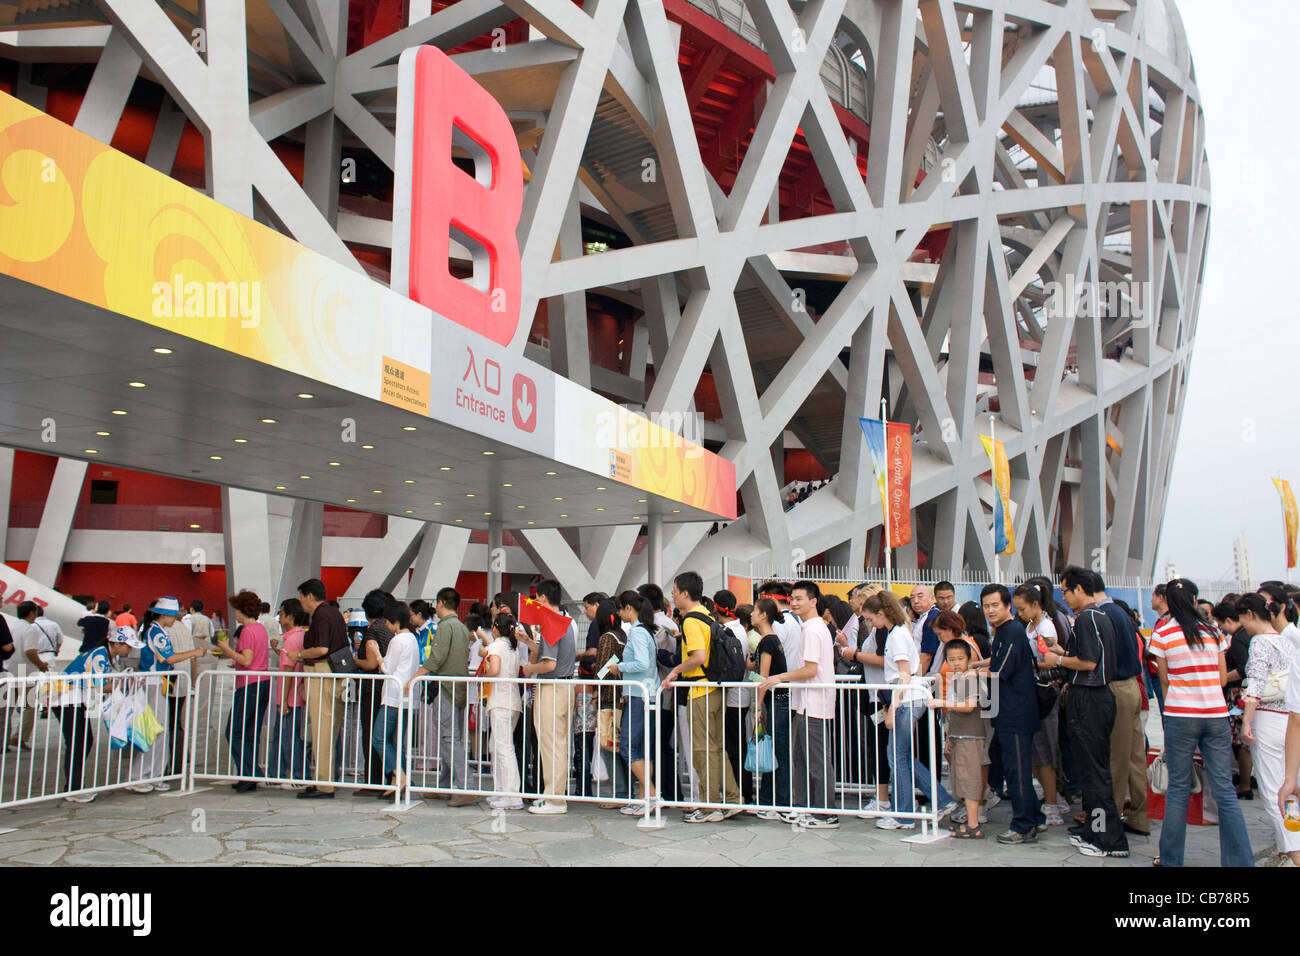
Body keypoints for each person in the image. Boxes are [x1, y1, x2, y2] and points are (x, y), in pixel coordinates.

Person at [1145, 581, 1252, 867]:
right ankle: (1240, 862)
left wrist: (1173, 708)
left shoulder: (1163, 633)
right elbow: (1220, 679)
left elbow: (1164, 680)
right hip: (1215, 715)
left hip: (1181, 715)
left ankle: (1170, 860)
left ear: (1168, 600)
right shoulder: (1213, 631)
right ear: (1193, 599)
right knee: (1224, 790)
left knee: (1178, 790)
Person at [1052, 569, 1128, 857]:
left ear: (1079, 589)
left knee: (1094, 772)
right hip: (1097, 697)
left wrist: (1057, 658)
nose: (1064, 596)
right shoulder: (1101, 616)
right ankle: (1095, 831)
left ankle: (1104, 838)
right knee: (1091, 770)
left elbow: (1088, 663)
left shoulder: (1087, 617)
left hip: (1090, 697)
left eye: (1066, 590)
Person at [867, 590, 955, 830]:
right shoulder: (899, 632)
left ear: (880, 613)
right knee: (901, 756)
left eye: (871, 619)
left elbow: (904, 674)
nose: (870, 624)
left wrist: (893, 707)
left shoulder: (896, 635)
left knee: (897, 756)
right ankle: (939, 800)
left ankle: (904, 815)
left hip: (906, 699)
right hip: (907, 697)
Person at [664, 570, 741, 823]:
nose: (673, 596)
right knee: (716, 747)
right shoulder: (708, 616)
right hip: (716, 689)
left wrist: (675, 671)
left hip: (700, 690)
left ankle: (709, 806)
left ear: (685, 593)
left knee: (702, 749)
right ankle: (731, 798)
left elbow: (698, 657)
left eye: (675, 591)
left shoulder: (690, 621)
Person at [974, 584, 1042, 844]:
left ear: (1007, 606)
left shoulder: (1012, 631)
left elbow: (1001, 671)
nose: (990, 610)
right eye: (986, 606)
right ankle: (1034, 817)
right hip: (1007, 712)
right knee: (1014, 768)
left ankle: (1023, 825)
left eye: (995, 605)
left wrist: (971, 673)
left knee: (1017, 771)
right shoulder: (1003, 631)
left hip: (1017, 714)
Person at [1236, 592, 1300, 865]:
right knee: (1289, 788)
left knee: (1277, 793)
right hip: (1289, 719)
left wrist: (1246, 721)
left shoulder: (1259, 643)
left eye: (1241, 618)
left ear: (1250, 615)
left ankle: (1294, 850)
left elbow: (1255, 685)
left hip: (1269, 719)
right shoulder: (1287, 641)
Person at [1090, 572, 1151, 837]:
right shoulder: (1121, 613)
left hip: (1116, 688)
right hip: (1133, 687)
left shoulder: (1103, 615)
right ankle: (1139, 816)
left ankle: (1109, 821)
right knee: (1135, 757)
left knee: (1114, 758)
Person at [129, 597, 207, 793]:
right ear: (165, 615)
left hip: (159, 683)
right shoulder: (157, 632)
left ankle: (154, 774)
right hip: (154, 683)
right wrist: (194, 653)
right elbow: (169, 657)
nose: (176, 618)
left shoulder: (156, 630)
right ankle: (140, 775)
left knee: (161, 729)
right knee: (155, 729)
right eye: (174, 615)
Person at [406, 587, 475, 807]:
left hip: (446, 687)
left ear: (441, 603)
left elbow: (436, 658)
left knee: (448, 738)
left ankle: (466, 787)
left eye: (436, 603)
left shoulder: (445, 628)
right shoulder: (462, 628)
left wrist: (413, 679)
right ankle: (444, 785)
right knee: (452, 737)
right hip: (459, 687)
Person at [1012, 582, 1068, 826]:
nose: (1020, 614)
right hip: (1033, 690)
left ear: (1036, 604)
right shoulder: (1032, 626)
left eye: (1022, 609)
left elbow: (1051, 660)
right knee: (1037, 749)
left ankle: (1052, 802)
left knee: (1045, 750)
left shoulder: (1045, 627)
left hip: (1044, 692)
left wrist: (1025, 664)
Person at [58, 626, 136, 803]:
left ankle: (73, 785)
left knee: (83, 741)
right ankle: (73, 788)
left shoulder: (107, 655)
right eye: (128, 646)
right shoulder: (101, 654)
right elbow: (99, 685)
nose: (129, 650)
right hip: (67, 697)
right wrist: (120, 684)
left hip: (76, 697)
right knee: (79, 741)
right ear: (116, 643)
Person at [289, 578, 349, 799]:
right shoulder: (333, 612)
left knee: (322, 729)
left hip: (322, 673)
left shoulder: (321, 615)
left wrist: (300, 655)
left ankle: (324, 784)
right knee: (329, 730)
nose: (301, 602)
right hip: (334, 675)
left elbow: (322, 648)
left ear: (309, 596)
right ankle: (324, 779)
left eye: (302, 597)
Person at [216, 590, 272, 792]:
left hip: (249, 684)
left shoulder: (247, 631)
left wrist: (227, 649)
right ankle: (249, 773)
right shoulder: (261, 629)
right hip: (262, 682)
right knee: (250, 732)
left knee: (235, 731)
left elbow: (246, 660)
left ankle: (249, 773)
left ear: (241, 610)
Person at [610, 591, 661, 815]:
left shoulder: (637, 633)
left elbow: (641, 663)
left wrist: (619, 667)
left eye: (620, 609)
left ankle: (650, 793)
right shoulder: (646, 631)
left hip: (639, 695)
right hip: (647, 694)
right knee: (643, 749)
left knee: (630, 747)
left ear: (628, 608)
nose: (619, 613)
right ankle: (643, 798)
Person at [929, 640, 986, 837]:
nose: (956, 663)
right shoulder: (959, 678)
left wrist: (939, 702)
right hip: (959, 733)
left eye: (960, 659)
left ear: (969, 659)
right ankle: (971, 822)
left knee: (969, 779)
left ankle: (973, 825)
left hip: (970, 735)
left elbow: (969, 705)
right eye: (951, 659)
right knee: (962, 779)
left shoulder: (969, 677)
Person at [370, 600, 419, 799]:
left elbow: (387, 668)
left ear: (395, 622)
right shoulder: (413, 639)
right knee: (396, 740)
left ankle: (400, 775)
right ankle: (397, 780)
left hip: (393, 696)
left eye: (388, 622)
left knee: (379, 737)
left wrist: (375, 652)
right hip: (407, 697)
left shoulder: (397, 640)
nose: (387, 626)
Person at [750, 597, 792, 818]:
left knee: (777, 751)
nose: (751, 614)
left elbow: (763, 677)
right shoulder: (770, 640)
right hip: (778, 701)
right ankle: (769, 800)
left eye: (755, 610)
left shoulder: (768, 641)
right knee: (775, 749)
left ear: (763, 615)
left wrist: (757, 707)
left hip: (776, 701)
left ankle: (779, 802)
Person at [479, 612, 525, 810]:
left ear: (496, 627)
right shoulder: (512, 646)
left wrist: (483, 676)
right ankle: (502, 790)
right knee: (497, 746)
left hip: (501, 701)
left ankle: (512, 795)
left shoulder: (498, 645)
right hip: (511, 700)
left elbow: (495, 668)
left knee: (503, 747)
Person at [712, 588, 752, 801]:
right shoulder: (739, 628)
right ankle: (742, 791)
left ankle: (740, 792)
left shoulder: (726, 631)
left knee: (734, 747)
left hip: (732, 696)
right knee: (737, 745)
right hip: (740, 693)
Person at [1214, 600, 1254, 799]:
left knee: (1240, 742)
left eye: (1220, 624)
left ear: (1228, 620)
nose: (1220, 628)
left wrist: (1221, 679)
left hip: (1237, 695)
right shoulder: (1246, 635)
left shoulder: (1238, 639)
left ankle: (1245, 785)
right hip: (1244, 693)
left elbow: (1242, 668)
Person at [354, 588, 394, 789]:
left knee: (371, 734)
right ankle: (388, 777)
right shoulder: (388, 628)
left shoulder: (372, 631)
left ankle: (373, 780)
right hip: (387, 689)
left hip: (372, 689)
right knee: (385, 736)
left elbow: (370, 663)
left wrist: (355, 660)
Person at [267, 598, 309, 788]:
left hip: (289, 697)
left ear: (290, 617)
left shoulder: (291, 639)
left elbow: (288, 671)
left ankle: (299, 775)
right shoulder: (299, 636)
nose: (280, 616)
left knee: (288, 738)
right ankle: (275, 773)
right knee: (282, 736)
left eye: (282, 613)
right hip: (294, 695)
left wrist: (283, 700)